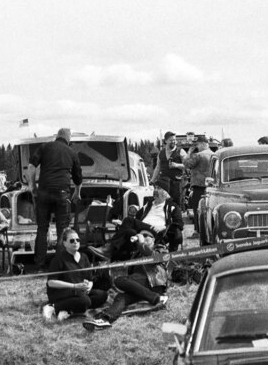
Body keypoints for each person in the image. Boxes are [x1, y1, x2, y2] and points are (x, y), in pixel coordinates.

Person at [83, 229, 169, 331]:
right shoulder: (136, 253)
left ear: (153, 239)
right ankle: (106, 319)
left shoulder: (160, 249)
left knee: (119, 280)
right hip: (142, 288)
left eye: (146, 236)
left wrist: (141, 242)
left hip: (153, 282)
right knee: (121, 297)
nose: (143, 237)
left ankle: (156, 298)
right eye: (141, 236)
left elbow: (155, 258)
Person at [27, 127, 82, 268]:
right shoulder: (72, 152)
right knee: (62, 230)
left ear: (57, 136)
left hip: (44, 192)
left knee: (42, 229)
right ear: (68, 138)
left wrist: (32, 186)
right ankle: (59, 265)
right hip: (62, 194)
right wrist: (77, 192)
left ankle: (39, 265)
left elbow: (31, 167)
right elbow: (78, 178)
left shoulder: (44, 147)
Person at [43, 228, 108, 322]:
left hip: (79, 291)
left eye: (78, 240)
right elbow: (51, 282)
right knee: (85, 301)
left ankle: (68, 310)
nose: (75, 242)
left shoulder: (84, 257)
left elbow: (90, 279)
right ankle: (53, 307)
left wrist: (89, 285)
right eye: (72, 240)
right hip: (62, 292)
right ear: (65, 243)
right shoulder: (58, 259)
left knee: (102, 295)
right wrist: (74, 286)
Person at [134, 186, 184, 251]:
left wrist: (165, 227)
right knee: (127, 222)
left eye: (159, 188)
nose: (155, 190)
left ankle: (147, 250)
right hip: (142, 228)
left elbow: (179, 223)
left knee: (128, 221)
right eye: (155, 188)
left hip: (157, 231)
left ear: (165, 193)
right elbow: (137, 216)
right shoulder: (149, 204)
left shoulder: (172, 206)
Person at [183, 135, 212, 229]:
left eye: (198, 144)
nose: (197, 147)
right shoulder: (213, 154)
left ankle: (197, 229)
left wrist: (189, 153)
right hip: (211, 186)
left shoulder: (198, 155)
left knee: (197, 209)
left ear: (203, 144)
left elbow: (186, 164)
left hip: (199, 186)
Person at [153, 132, 186, 206]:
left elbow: (187, 165)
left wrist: (176, 165)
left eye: (174, 140)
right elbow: (157, 168)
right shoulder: (161, 153)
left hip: (176, 184)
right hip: (164, 183)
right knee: (162, 204)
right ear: (166, 141)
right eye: (171, 140)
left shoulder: (180, 151)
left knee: (176, 205)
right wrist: (152, 180)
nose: (173, 142)